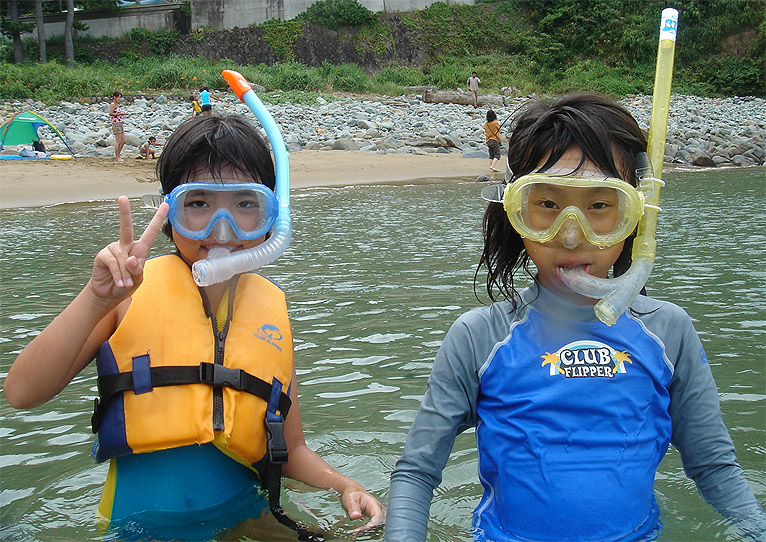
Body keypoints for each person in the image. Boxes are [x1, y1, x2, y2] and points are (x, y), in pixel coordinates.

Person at [385, 93, 766, 542]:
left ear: (637, 214)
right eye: (547, 205)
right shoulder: (480, 336)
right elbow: (415, 472)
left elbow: (713, 466)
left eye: (600, 206)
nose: (571, 235)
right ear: (514, 212)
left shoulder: (668, 329)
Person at [4, 114, 384, 540]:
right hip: (140, 528)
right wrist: (96, 300)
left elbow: (291, 450)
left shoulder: (272, 310)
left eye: (245, 204)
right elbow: (22, 393)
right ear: (169, 213)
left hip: (246, 518)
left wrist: (345, 485)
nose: (223, 229)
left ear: (269, 215)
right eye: (198, 204)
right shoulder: (123, 295)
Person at [109, 91, 127, 162]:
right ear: (114, 97)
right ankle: (117, 157)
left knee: (123, 141)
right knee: (118, 141)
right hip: (116, 123)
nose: (119, 99)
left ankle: (118, 154)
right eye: (118, 97)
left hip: (120, 122)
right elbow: (110, 113)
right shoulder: (113, 104)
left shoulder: (117, 104)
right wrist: (120, 113)